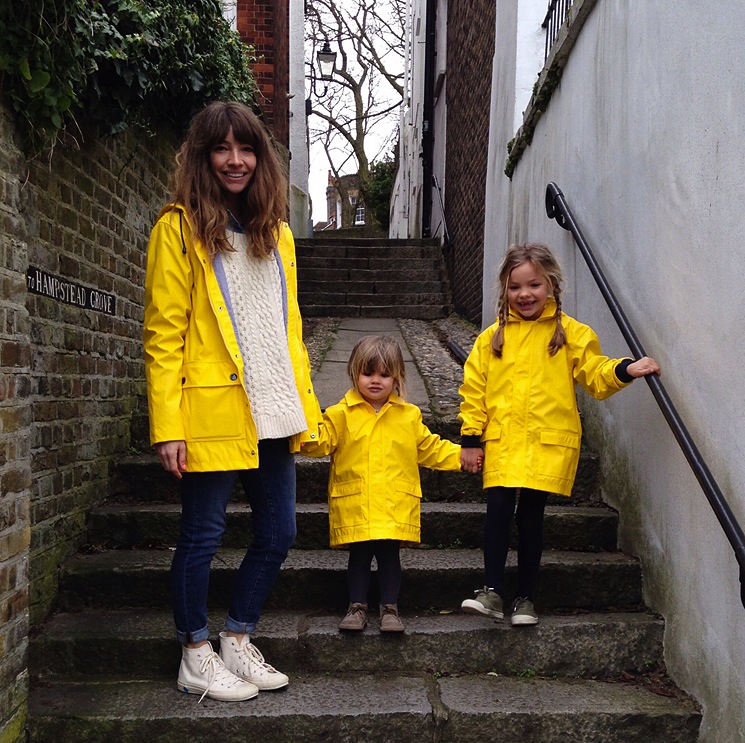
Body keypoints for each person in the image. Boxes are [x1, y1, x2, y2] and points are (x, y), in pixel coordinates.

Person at [143, 101, 321, 702]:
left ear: (261, 158)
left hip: (275, 407)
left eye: (246, 149)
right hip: (212, 409)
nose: (236, 160)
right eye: (222, 149)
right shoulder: (178, 229)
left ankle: (237, 640)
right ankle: (195, 652)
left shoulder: (279, 233)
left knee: (280, 532)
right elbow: (164, 335)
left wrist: (308, 409)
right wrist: (169, 426)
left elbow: (288, 329)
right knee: (202, 535)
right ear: (203, 156)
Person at [458, 243, 660, 627]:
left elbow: (594, 371)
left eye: (533, 284)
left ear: (551, 284)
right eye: (515, 287)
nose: (525, 294)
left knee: (532, 517)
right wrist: (470, 438)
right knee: (498, 510)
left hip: (546, 442)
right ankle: (492, 590)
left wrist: (626, 369)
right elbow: (474, 390)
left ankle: (526, 599)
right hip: (502, 440)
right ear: (505, 291)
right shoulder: (492, 339)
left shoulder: (570, 334)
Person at [302, 336, 480, 633]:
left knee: (389, 556)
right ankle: (356, 606)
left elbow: (429, 448)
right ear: (354, 373)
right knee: (359, 556)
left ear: (397, 377)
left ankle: (390, 608)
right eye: (368, 373)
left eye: (384, 374)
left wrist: (459, 457)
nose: (376, 381)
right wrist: (298, 432)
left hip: (394, 501)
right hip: (357, 499)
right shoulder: (340, 415)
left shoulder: (408, 416)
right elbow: (319, 442)